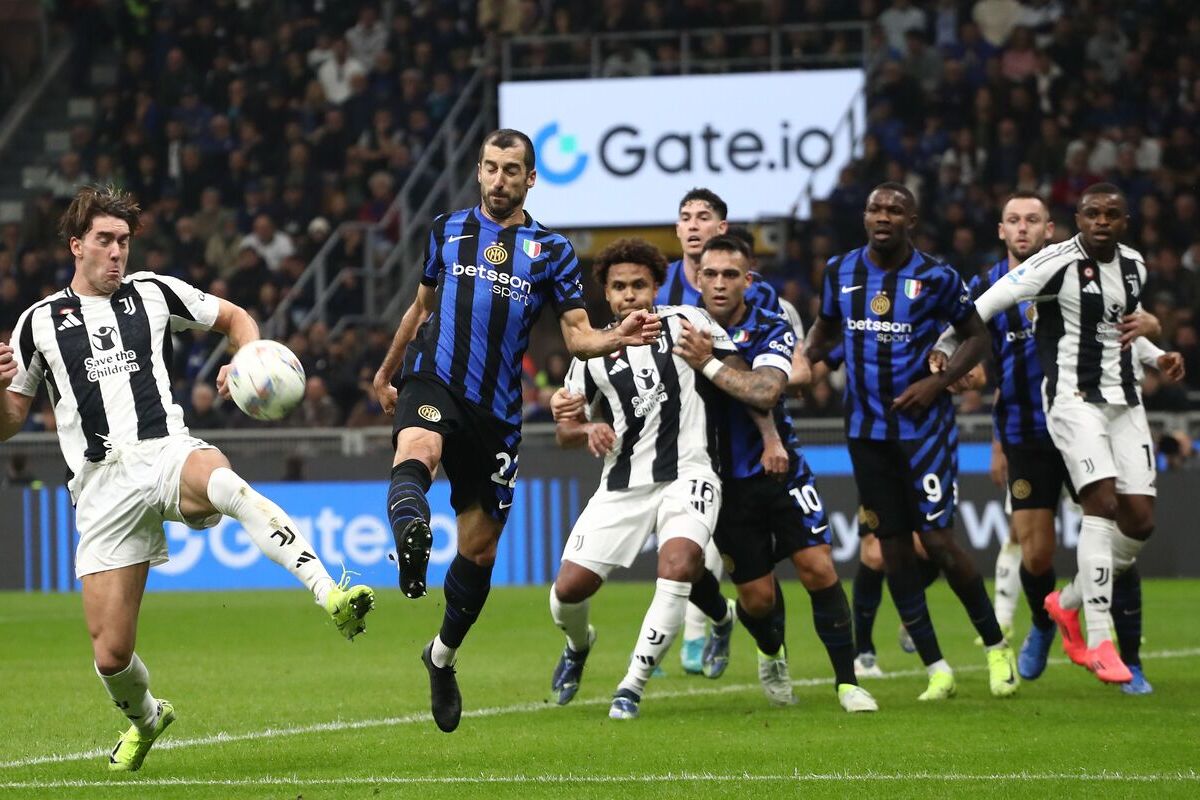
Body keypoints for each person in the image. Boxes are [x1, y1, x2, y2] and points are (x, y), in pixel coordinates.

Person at [0, 186, 374, 773]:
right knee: (111, 655)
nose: (117, 252)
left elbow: (235, 318)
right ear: (77, 246)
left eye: (124, 241)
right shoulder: (36, 324)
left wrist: (243, 358)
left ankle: (332, 592)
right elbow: (10, 422)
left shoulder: (153, 292)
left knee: (224, 483)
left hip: (163, 452)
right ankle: (148, 718)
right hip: (99, 487)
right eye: (105, 240)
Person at [371, 129, 661, 733]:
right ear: (478, 171)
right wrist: (387, 370)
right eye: (490, 168)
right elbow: (422, 307)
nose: (498, 180)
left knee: (480, 550)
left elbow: (579, 334)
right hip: (433, 381)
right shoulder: (447, 229)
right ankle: (411, 533)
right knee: (417, 450)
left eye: (511, 171)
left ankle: (441, 656)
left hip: (497, 415)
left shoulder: (551, 251)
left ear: (531, 179)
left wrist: (617, 336)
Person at [935, 183, 1185, 685]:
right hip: (1059, 409)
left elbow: (1117, 329)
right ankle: (1100, 642)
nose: (1101, 222)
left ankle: (1067, 606)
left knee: (1137, 522)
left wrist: (1157, 353)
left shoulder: (1134, 265)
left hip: (1123, 401)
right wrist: (945, 347)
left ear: (1125, 222)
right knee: (1073, 526)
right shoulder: (1045, 265)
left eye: (1111, 214)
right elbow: (981, 309)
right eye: (1092, 213)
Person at [805, 182, 1020, 701]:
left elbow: (977, 336)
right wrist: (801, 360)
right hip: (864, 432)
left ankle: (996, 647)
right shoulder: (840, 271)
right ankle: (937, 668)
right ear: (865, 216)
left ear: (911, 220)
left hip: (924, 432)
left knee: (940, 542)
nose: (883, 215)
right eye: (875, 207)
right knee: (892, 550)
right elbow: (826, 329)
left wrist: (937, 384)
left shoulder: (937, 276)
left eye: (895, 209)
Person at [672, 235, 878, 713]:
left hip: (780, 468)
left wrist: (707, 363)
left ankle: (847, 683)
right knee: (759, 600)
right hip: (722, 483)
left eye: (730, 275)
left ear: (749, 279)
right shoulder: (678, 328)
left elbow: (767, 391)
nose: (720, 283)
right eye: (711, 274)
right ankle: (771, 652)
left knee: (818, 568)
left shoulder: (770, 325)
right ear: (697, 278)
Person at [545, 238, 737, 719]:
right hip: (623, 483)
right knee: (567, 592)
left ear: (655, 287)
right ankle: (578, 645)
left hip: (691, 472)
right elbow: (565, 430)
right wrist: (586, 426)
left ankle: (631, 686)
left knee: (676, 568)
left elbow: (739, 375)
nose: (629, 294)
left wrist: (714, 362)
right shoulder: (591, 353)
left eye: (638, 285)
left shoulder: (690, 322)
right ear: (607, 296)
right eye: (619, 287)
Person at [657, 190, 803, 674]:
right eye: (685, 218)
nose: (694, 225)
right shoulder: (660, 295)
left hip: (737, 444)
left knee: (734, 560)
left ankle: (705, 637)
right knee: (684, 553)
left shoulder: (758, 296)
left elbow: (788, 369)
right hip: (679, 443)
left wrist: (771, 434)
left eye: (704, 218)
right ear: (676, 229)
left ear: (723, 229)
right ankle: (717, 620)